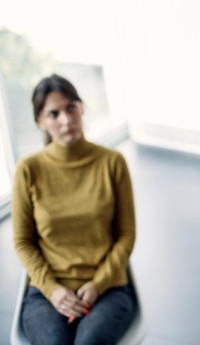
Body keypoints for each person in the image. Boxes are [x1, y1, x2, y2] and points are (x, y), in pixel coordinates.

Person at [12, 74, 136, 345]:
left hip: (107, 289)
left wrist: (97, 284)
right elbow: (23, 242)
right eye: (53, 114)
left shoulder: (112, 163)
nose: (66, 120)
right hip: (48, 291)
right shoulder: (28, 169)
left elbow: (126, 236)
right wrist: (53, 290)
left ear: (82, 108)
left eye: (71, 108)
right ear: (40, 122)